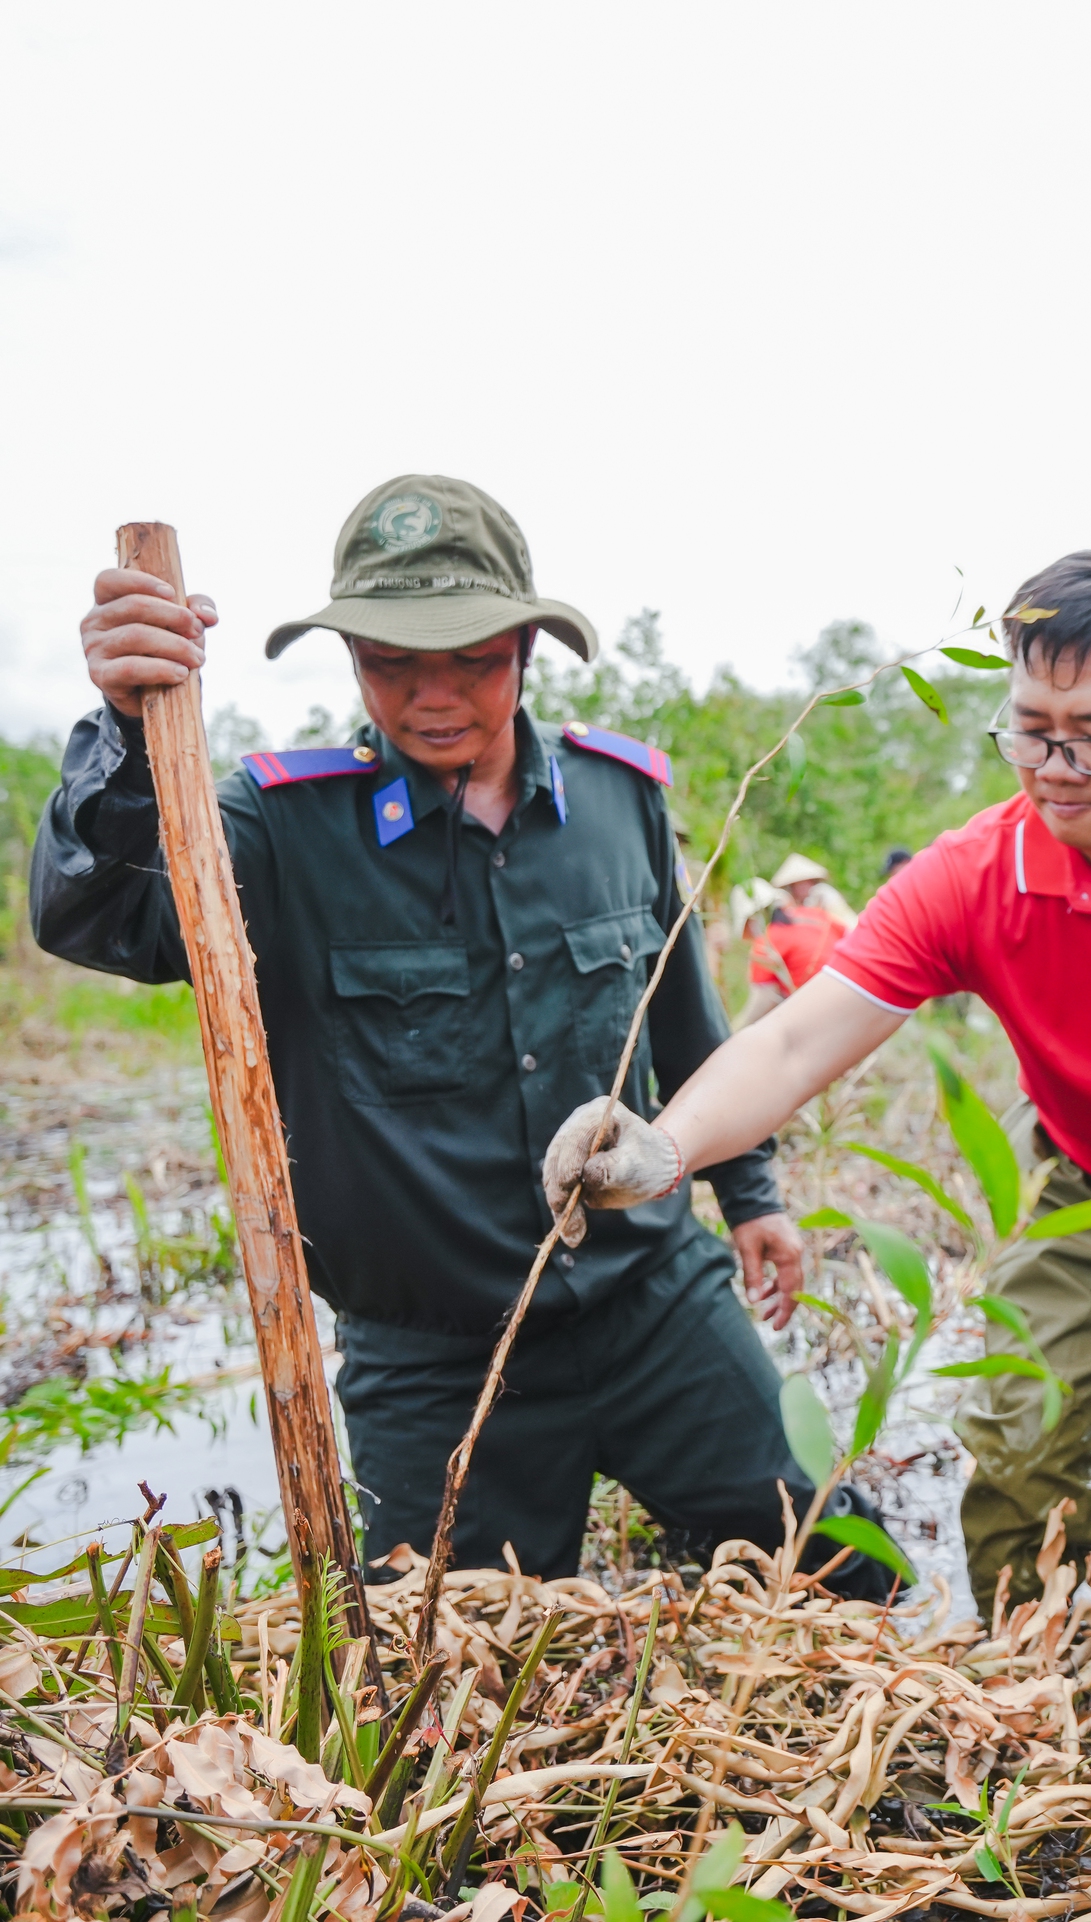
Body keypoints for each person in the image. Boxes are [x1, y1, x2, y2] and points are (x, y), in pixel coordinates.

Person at [32, 474, 892, 1594]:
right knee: (454, 1672)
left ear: (527, 646)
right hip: (436, 1353)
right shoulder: (275, 824)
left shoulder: (617, 796)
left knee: (838, 1564)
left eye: (472, 660)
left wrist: (755, 1194)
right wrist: (127, 728)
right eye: (394, 662)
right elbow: (96, 917)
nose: (433, 696)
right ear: (350, 659)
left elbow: (680, 1011)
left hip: (655, 1301)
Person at [543, 549, 1091, 1615]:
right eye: (1029, 726)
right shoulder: (974, 873)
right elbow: (791, 1045)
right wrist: (666, 1147)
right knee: (1021, 1458)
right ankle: (1028, 1671)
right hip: (1085, 1194)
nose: (1052, 764)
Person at [741, 852, 856, 1024]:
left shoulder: (771, 937)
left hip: (825, 1003)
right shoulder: (816, 916)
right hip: (847, 996)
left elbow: (764, 999)